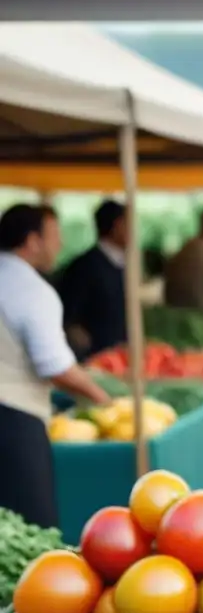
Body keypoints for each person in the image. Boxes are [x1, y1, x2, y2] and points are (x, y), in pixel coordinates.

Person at [0, 205, 111, 527]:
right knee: (31, 525)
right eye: (54, 237)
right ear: (32, 241)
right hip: (14, 419)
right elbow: (55, 366)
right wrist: (100, 396)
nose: (59, 245)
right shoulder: (33, 291)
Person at [59, 200, 127, 358]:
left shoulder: (127, 264)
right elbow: (69, 313)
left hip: (122, 353)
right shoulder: (84, 266)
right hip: (96, 357)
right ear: (117, 226)